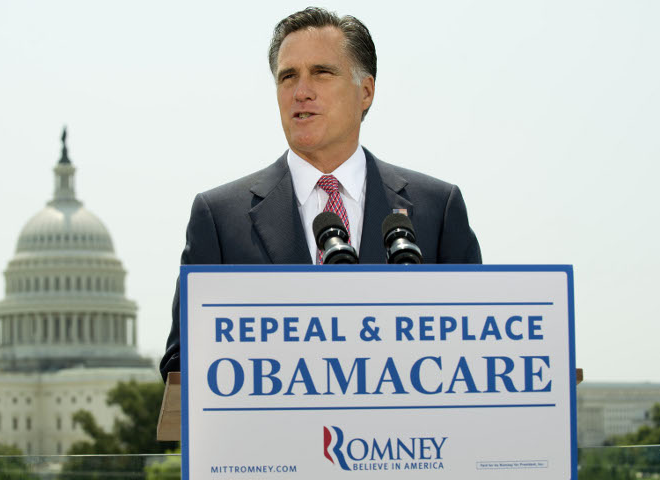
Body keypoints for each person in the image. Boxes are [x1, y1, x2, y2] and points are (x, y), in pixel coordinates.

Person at [159, 7, 481, 381]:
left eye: (322, 73)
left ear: (366, 91)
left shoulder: (437, 210)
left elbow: (471, 350)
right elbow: (181, 366)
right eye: (288, 77)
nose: (301, 92)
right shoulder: (218, 217)